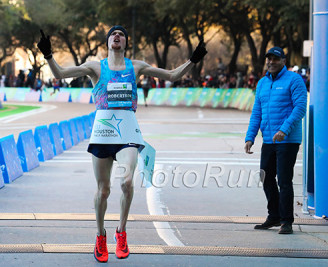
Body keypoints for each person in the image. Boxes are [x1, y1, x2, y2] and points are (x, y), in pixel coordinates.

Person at [37, 25, 207, 262]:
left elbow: (172, 75)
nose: (117, 36)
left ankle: (122, 231)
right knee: (103, 190)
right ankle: (100, 235)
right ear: (107, 42)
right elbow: (60, 74)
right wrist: (47, 56)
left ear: (126, 42)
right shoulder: (96, 67)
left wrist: (193, 60)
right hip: (104, 130)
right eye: (113, 34)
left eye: (121, 34)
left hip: (127, 129)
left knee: (127, 182)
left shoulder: (135, 66)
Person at [244, 47, 307, 234]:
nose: (271, 62)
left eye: (275, 59)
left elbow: (300, 108)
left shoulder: (294, 80)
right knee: (265, 176)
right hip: (269, 140)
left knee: (284, 180)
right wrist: (250, 137)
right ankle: (274, 216)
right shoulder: (262, 83)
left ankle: (287, 221)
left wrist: (284, 130)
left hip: (287, 140)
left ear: (283, 61)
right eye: (269, 59)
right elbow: (257, 112)